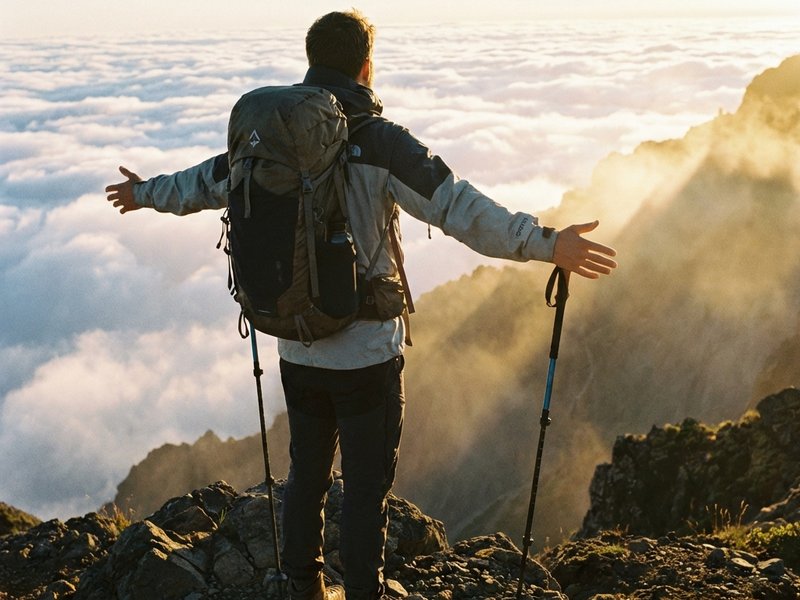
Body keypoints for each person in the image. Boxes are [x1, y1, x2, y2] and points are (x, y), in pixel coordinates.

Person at [105, 9, 617, 600]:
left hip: (295, 341)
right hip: (367, 353)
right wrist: (549, 244)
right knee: (366, 486)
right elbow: (460, 209)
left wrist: (143, 193)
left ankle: (303, 587)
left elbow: (203, 182)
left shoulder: (269, 141)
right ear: (367, 66)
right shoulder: (379, 141)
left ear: (310, 60)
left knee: (306, 479)